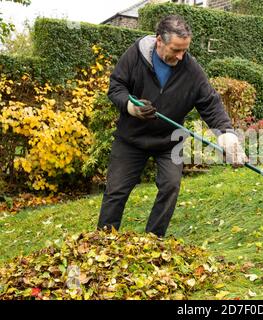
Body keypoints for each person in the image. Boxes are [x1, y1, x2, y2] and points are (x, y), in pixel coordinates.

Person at [97, 15, 247, 237]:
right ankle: (103, 242)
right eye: (176, 49)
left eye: (184, 50)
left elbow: (210, 104)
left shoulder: (190, 69)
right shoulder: (136, 56)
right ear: (159, 41)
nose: (180, 56)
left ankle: (153, 240)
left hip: (169, 141)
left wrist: (226, 136)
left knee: (170, 187)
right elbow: (116, 86)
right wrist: (131, 107)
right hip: (131, 139)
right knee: (116, 191)